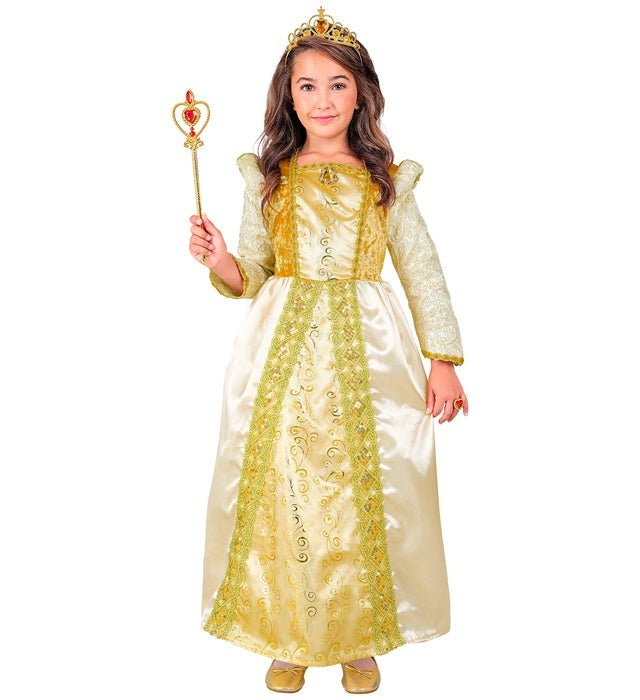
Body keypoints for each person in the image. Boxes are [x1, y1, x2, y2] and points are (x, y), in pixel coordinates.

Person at [188, 6, 468, 694]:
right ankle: (288, 634)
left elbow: (421, 269)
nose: (322, 100)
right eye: (307, 86)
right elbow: (253, 273)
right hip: (282, 353)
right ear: (288, 95)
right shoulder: (271, 176)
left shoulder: (384, 179)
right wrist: (220, 259)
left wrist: (442, 359)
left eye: (338, 85)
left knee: (360, 487)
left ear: (361, 94)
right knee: (286, 486)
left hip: (369, 352)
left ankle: (357, 638)